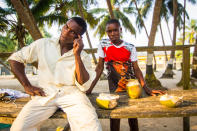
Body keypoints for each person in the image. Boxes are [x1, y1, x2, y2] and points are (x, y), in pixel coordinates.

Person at [8, 17, 102, 131]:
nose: (66, 31)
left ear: (78, 37)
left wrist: (77, 55)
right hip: (45, 93)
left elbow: (84, 85)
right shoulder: (43, 44)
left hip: (72, 95)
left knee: (91, 127)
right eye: (66, 26)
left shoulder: (83, 56)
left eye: (72, 31)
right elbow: (15, 59)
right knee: (19, 128)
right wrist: (27, 85)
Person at [86, 19, 165, 131]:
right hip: (114, 87)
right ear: (106, 32)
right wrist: (90, 88)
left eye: (115, 30)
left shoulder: (130, 47)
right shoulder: (103, 44)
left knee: (132, 116)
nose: (112, 33)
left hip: (131, 87)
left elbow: (136, 69)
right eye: (109, 31)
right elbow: (99, 68)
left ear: (120, 30)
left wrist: (146, 88)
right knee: (114, 116)